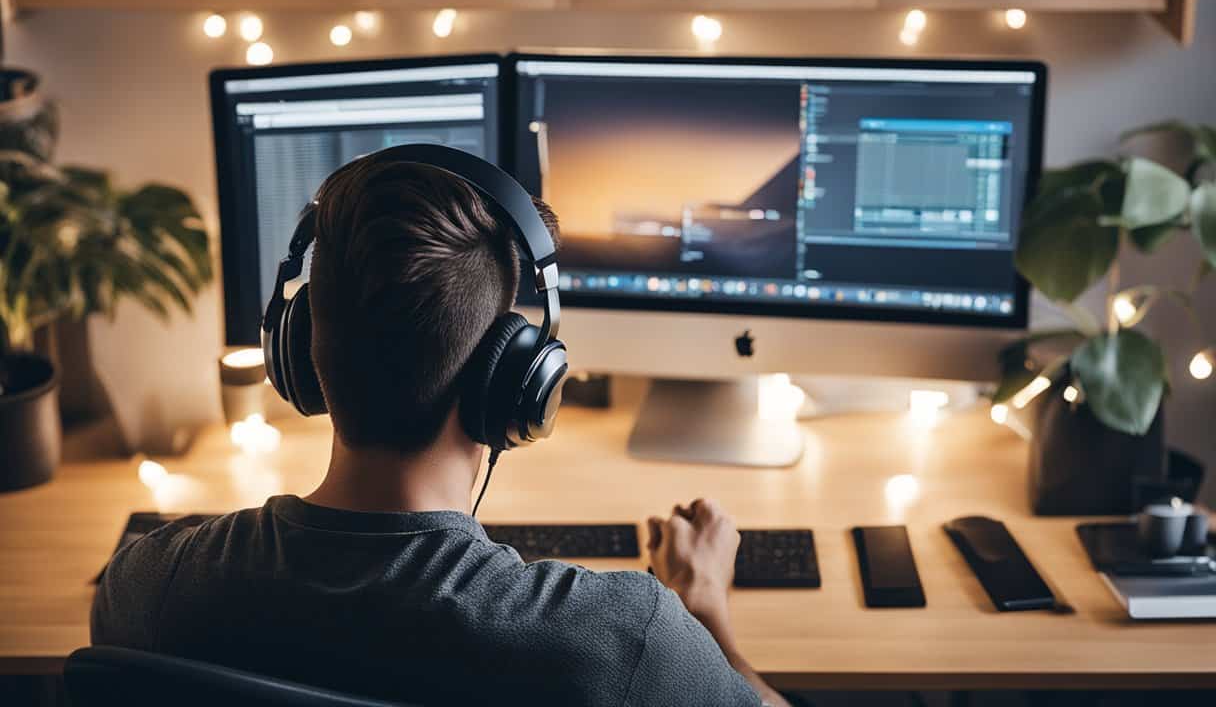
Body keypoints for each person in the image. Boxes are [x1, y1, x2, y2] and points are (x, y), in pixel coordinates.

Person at [92, 153, 791, 707]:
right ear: (517, 384)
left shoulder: (148, 588)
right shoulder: (623, 640)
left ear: (300, 352)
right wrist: (706, 613)